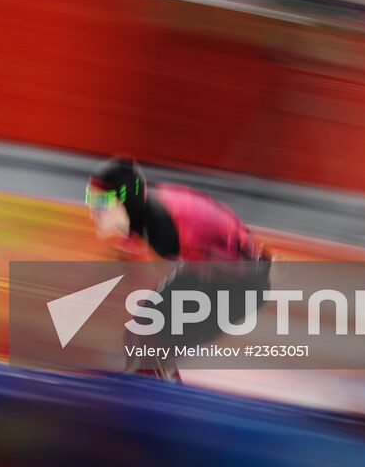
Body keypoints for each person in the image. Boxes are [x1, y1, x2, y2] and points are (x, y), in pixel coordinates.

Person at [84, 156, 271, 379]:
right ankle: (157, 389)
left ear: (126, 200)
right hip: (221, 272)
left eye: (101, 201)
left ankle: (157, 394)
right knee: (140, 337)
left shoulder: (164, 226)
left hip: (238, 282)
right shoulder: (139, 217)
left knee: (150, 341)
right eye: (89, 198)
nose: (92, 209)